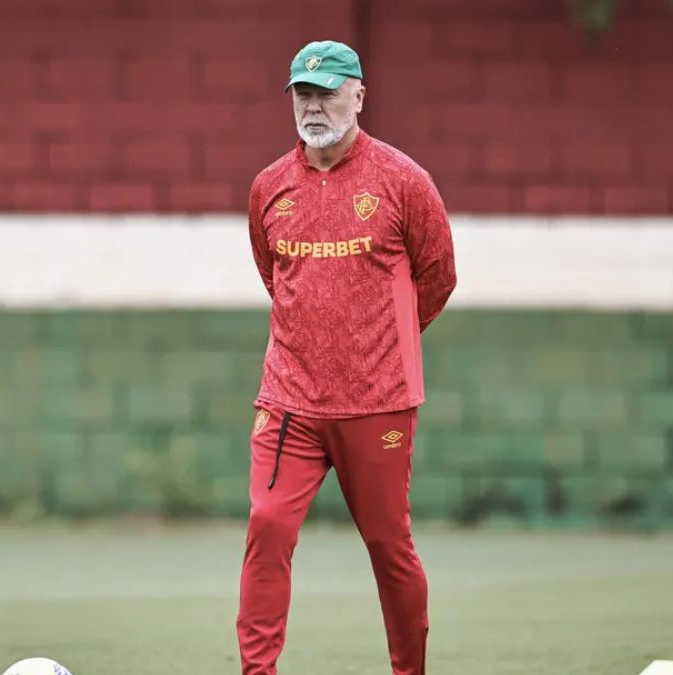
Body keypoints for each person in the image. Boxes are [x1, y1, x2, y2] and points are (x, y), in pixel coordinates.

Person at [237, 39, 457, 675]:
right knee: (267, 527)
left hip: (378, 401)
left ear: (359, 95)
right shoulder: (269, 189)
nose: (314, 107)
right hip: (289, 402)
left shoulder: (403, 181)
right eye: (303, 95)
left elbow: (437, 278)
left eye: (327, 92)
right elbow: (275, 278)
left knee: (390, 547)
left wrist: (379, 340)